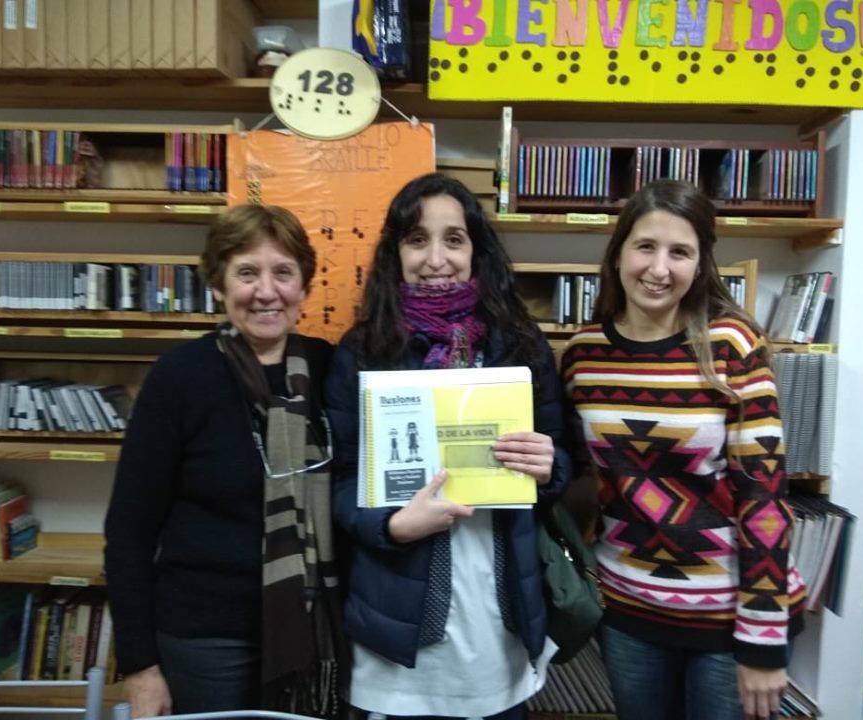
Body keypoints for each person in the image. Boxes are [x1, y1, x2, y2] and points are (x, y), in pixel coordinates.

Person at [325, 172, 571, 719]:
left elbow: (560, 463)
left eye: (454, 239)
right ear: (396, 253)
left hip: (498, 627)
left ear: (476, 252)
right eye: (417, 239)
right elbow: (340, 480)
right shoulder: (363, 350)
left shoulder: (521, 345)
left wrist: (548, 466)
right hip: (399, 638)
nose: (436, 258)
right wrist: (388, 527)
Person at [560, 180, 806, 720]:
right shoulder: (582, 354)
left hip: (726, 614)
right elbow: (579, 478)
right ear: (619, 251)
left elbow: (764, 495)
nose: (659, 267)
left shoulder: (732, 346)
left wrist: (764, 635)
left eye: (680, 252)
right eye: (645, 246)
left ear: (701, 264)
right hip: (626, 608)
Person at [104, 205, 344, 718]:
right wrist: (141, 669)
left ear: (304, 285)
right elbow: (129, 532)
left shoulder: (331, 369)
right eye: (246, 273)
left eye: (283, 272)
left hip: (314, 626)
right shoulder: (180, 377)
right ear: (218, 285)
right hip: (204, 640)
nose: (266, 291)